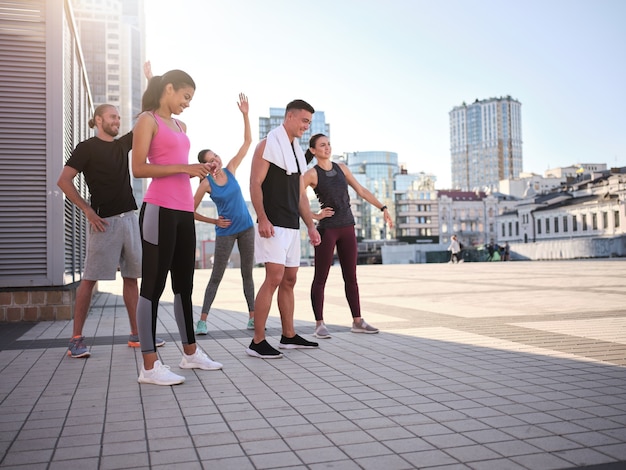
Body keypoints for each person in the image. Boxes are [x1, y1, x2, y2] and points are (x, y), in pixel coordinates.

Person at [132, 69, 223, 386]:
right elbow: (139, 167)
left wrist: (201, 168)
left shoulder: (181, 126)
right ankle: (149, 365)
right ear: (168, 89)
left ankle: (190, 353)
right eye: (185, 97)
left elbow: (179, 164)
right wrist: (184, 167)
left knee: (184, 286)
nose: (187, 104)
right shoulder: (147, 120)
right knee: (152, 288)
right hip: (158, 208)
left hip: (184, 210)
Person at [57, 104, 165, 358]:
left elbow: (146, 116)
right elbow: (63, 180)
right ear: (98, 119)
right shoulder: (86, 148)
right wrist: (87, 210)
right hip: (103, 222)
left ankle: (136, 334)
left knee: (131, 277)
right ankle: (76, 339)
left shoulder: (121, 145)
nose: (117, 121)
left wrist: (150, 80)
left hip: (129, 219)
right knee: (89, 279)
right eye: (113, 117)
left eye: (118, 117)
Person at [247, 99, 321, 359]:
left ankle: (288, 336)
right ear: (289, 117)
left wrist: (310, 226)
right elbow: (255, 184)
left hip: (292, 224)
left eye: (309, 122)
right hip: (273, 223)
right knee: (274, 278)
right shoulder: (267, 145)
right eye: (303, 120)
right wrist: (262, 217)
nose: (306, 126)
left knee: (290, 280)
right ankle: (258, 341)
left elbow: (300, 194)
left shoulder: (297, 151)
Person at [303, 134, 393, 339]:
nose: (327, 148)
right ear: (314, 151)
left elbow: (361, 190)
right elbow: (296, 198)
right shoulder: (311, 174)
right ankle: (319, 324)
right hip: (327, 230)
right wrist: (315, 216)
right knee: (320, 278)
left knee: (351, 277)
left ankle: (358, 321)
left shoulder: (341, 168)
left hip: (348, 228)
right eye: (322, 145)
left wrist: (383, 207)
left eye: (328, 144)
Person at [193, 93, 255, 334]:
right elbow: (190, 210)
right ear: (205, 166)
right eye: (210, 161)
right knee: (216, 276)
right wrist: (214, 220)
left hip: (247, 228)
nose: (215, 161)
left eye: (215, 156)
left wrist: (246, 115)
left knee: (247, 274)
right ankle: (202, 321)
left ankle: (251, 317)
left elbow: (247, 143)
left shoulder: (230, 169)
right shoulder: (205, 184)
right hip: (226, 232)